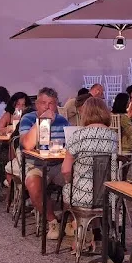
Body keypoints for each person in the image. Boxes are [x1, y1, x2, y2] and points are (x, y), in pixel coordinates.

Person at [61, 97, 119, 250]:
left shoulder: (77, 136)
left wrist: (70, 181)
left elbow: (66, 169)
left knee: (69, 190)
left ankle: (80, 228)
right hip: (107, 194)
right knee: (95, 189)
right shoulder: (113, 136)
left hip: (83, 194)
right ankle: (95, 232)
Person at [19, 87, 71, 240]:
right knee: (34, 186)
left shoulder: (63, 121)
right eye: (43, 103)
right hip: (35, 164)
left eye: (51, 104)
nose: (47, 107)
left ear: (56, 105)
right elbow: (27, 145)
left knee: (77, 183)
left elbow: (70, 146)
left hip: (58, 165)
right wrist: (41, 122)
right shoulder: (28, 119)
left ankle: (70, 221)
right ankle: (52, 221)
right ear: (36, 104)